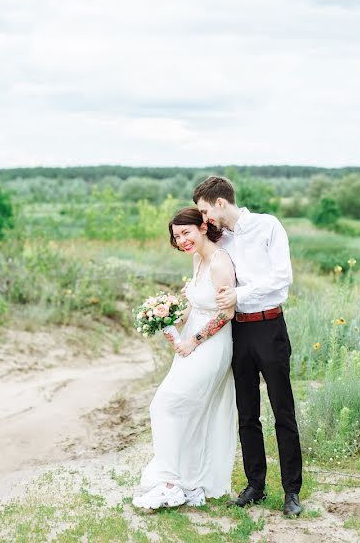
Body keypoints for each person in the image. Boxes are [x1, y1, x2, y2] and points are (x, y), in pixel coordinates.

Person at [194, 176, 303, 517]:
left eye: (205, 210)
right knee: (247, 413)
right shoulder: (219, 238)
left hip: (270, 327)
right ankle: (255, 485)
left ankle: (291, 492)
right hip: (238, 332)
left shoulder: (268, 226)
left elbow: (283, 275)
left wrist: (241, 293)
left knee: (283, 412)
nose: (204, 218)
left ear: (220, 203)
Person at [131, 207, 238, 510]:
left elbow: (226, 313)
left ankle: (168, 484)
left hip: (211, 346)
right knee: (191, 413)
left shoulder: (220, 262)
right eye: (177, 236)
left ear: (203, 226)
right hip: (192, 341)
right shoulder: (197, 259)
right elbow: (195, 303)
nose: (182, 240)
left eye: (186, 232)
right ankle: (191, 483)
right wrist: (173, 321)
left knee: (164, 405)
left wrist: (194, 340)